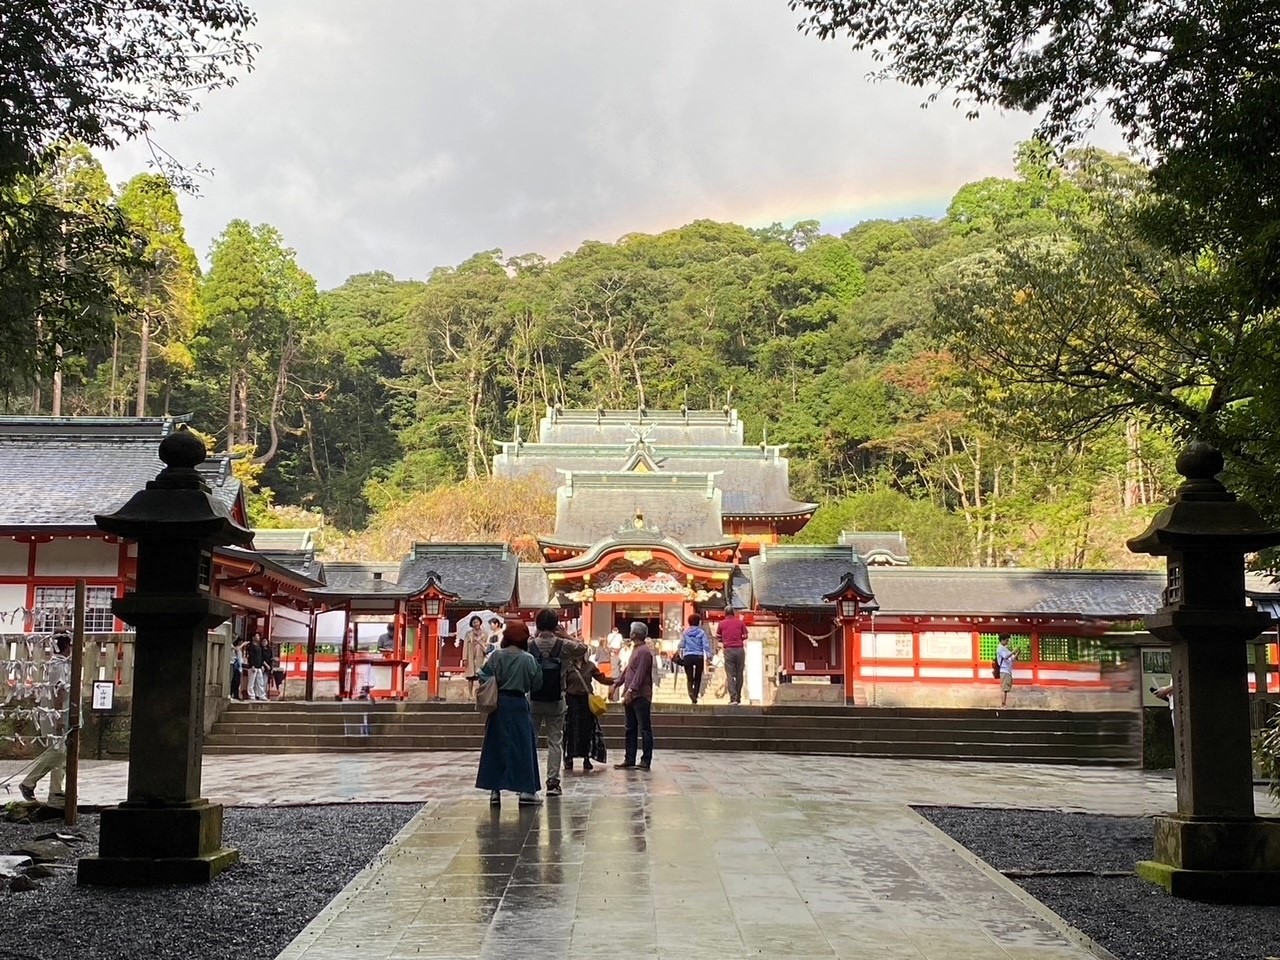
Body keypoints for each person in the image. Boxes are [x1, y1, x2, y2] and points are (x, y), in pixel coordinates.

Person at [475, 620, 543, 806]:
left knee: (496, 746)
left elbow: (482, 674)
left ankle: (494, 790)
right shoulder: (528, 659)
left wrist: (495, 682)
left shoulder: (497, 656)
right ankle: (526, 791)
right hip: (519, 704)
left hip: (499, 705)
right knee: (522, 747)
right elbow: (536, 683)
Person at [529, 608, 589, 798]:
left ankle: (529, 781)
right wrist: (565, 634)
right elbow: (583, 648)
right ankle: (553, 783)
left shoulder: (530, 645)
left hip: (533, 699)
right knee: (555, 741)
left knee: (531, 740)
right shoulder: (563, 645)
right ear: (556, 625)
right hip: (557, 698)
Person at [19, 633, 71, 805]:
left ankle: (56, 790)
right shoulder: (57, 665)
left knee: (61, 753)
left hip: (61, 713)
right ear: (66, 646)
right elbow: (59, 691)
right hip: (53, 715)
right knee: (57, 751)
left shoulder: (64, 664)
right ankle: (28, 782)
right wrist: (58, 717)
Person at [564, 642, 615, 772]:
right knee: (571, 729)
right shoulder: (568, 666)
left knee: (587, 729)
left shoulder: (590, 666)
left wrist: (616, 681)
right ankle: (569, 757)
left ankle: (586, 757)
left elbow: (601, 678)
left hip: (586, 701)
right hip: (571, 701)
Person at [615, 621, 655, 770]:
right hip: (631, 694)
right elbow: (628, 670)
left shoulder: (644, 651)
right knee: (630, 728)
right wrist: (617, 684)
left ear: (634, 634)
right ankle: (629, 758)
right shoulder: (636, 649)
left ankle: (646, 759)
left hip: (640, 695)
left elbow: (639, 674)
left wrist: (631, 691)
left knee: (644, 728)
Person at [678, 614, 712, 705]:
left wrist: (679, 651)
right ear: (698, 622)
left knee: (689, 677)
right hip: (699, 656)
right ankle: (695, 695)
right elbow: (706, 645)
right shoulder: (701, 632)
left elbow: (681, 645)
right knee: (697, 677)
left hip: (688, 656)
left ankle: (690, 692)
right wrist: (708, 656)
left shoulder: (685, 632)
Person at [717, 607, 748, 705]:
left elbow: (718, 637)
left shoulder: (721, 624)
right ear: (733, 613)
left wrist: (725, 640)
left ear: (725, 613)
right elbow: (745, 635)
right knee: (739, 673)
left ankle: (733, 698)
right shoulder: (740, 623)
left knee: (730, 674)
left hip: (728, 650)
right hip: (739, 649)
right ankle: (738, 696)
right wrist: (739, 639)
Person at [460, 615, 490, 697]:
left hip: (480, 656)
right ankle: (470, 694)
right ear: (471, 624)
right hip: (470, 656)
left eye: (477, 622)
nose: (475, 624)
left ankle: (480, 694)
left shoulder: (485, 634)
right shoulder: (468, 634)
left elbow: (487, 646)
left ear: (480, 622)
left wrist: (481, 643)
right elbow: (465, 646)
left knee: (481, 676)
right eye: (474, 622)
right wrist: (464, 658)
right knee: (470, 677)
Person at [997, 634, 1018, 707]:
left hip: (1008, 670)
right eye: (1006, 640)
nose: (1007, 642)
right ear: (1002, 640)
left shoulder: (1005, 649)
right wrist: (1013, 651)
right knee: (1004, 688)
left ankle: (1004, 703)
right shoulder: (1000, 648)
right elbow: (1005, 656)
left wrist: (1017, 652)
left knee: (1006, 688)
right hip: (1004, 670)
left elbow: (1012, 659)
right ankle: (1003, 704)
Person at [246, 632, 268, 701]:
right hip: (253, 666)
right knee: (251, 682)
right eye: (257, 636)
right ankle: (251, 695)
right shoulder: (251, 646)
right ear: (253, 637)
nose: (258, 637)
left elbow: (260, 657)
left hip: (259, 666)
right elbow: (251, 657)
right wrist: (252, 665)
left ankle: (261, 695)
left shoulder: (259, 646)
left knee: (260, 681)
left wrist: (262, 665)